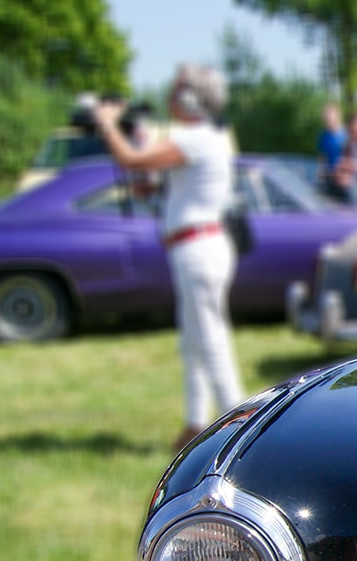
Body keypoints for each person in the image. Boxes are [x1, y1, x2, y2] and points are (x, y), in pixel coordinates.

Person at [93, 64, 242, 450]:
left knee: (209, 339)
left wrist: (107, 124)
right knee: (193, 340)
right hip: (194, 248)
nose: (170, 98)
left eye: (176, 91)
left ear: (192, 99)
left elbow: (131, 161)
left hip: (199, 248)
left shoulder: (197, 138)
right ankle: (195, 425)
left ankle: (240, 430)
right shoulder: (200, 139)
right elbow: (147, 185)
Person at [316, 102, 349, 201]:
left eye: (330, 116)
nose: (328, 119)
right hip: (329, 178)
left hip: (344, 180)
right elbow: (322, 158)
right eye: (326, 117)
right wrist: (320, 177)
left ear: (337, 116)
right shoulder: (323, 137)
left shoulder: (346, 134)